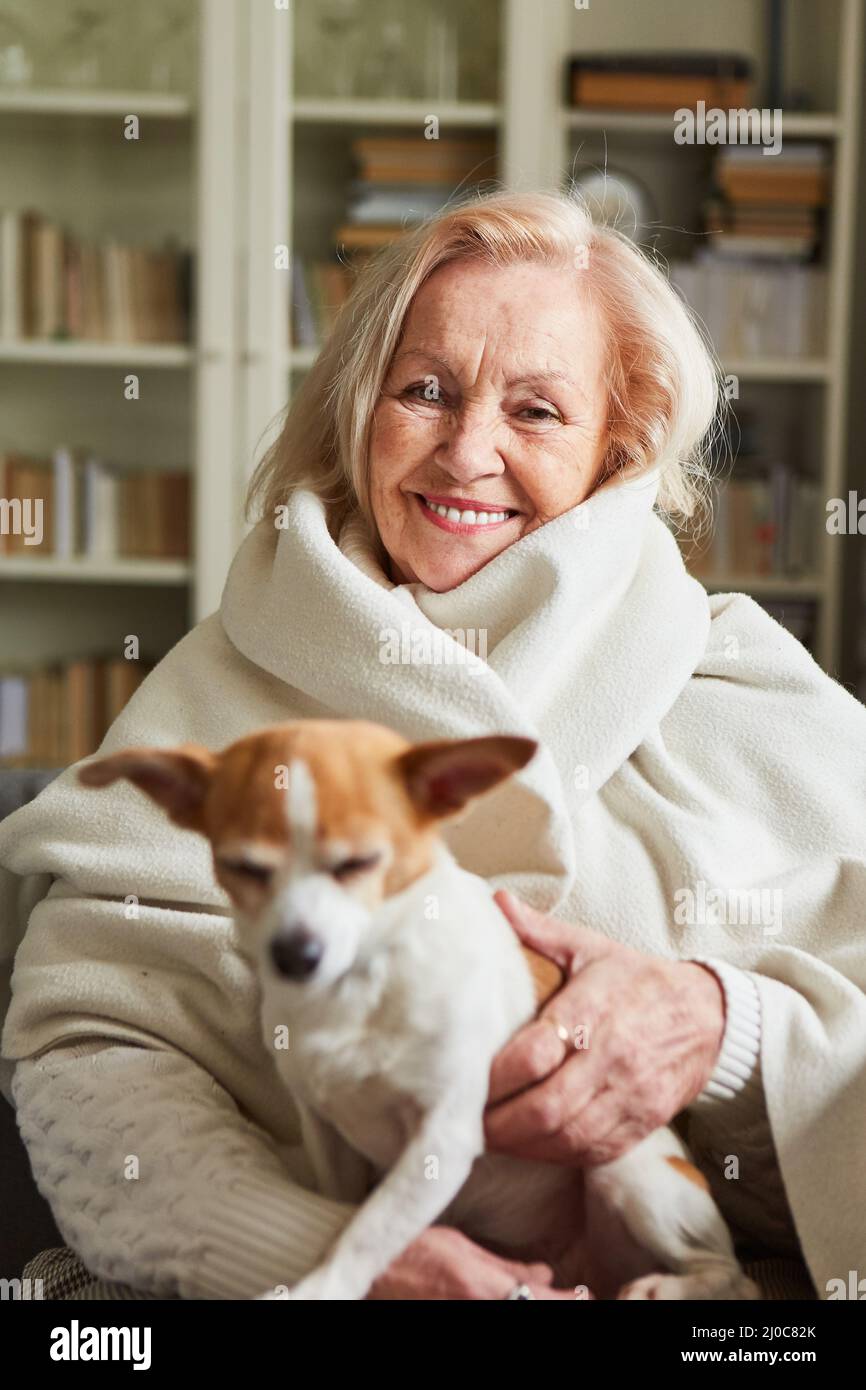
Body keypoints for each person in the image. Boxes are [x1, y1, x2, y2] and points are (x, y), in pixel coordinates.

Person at [2, 189, 864, 1300]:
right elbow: (94, 1060)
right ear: (358, 413)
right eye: (424, 391)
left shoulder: (738, 680)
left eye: (537, 411)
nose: (467, 453)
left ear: (620, 440)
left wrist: (723, 1026)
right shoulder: (214, 695)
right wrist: (337, 1261)